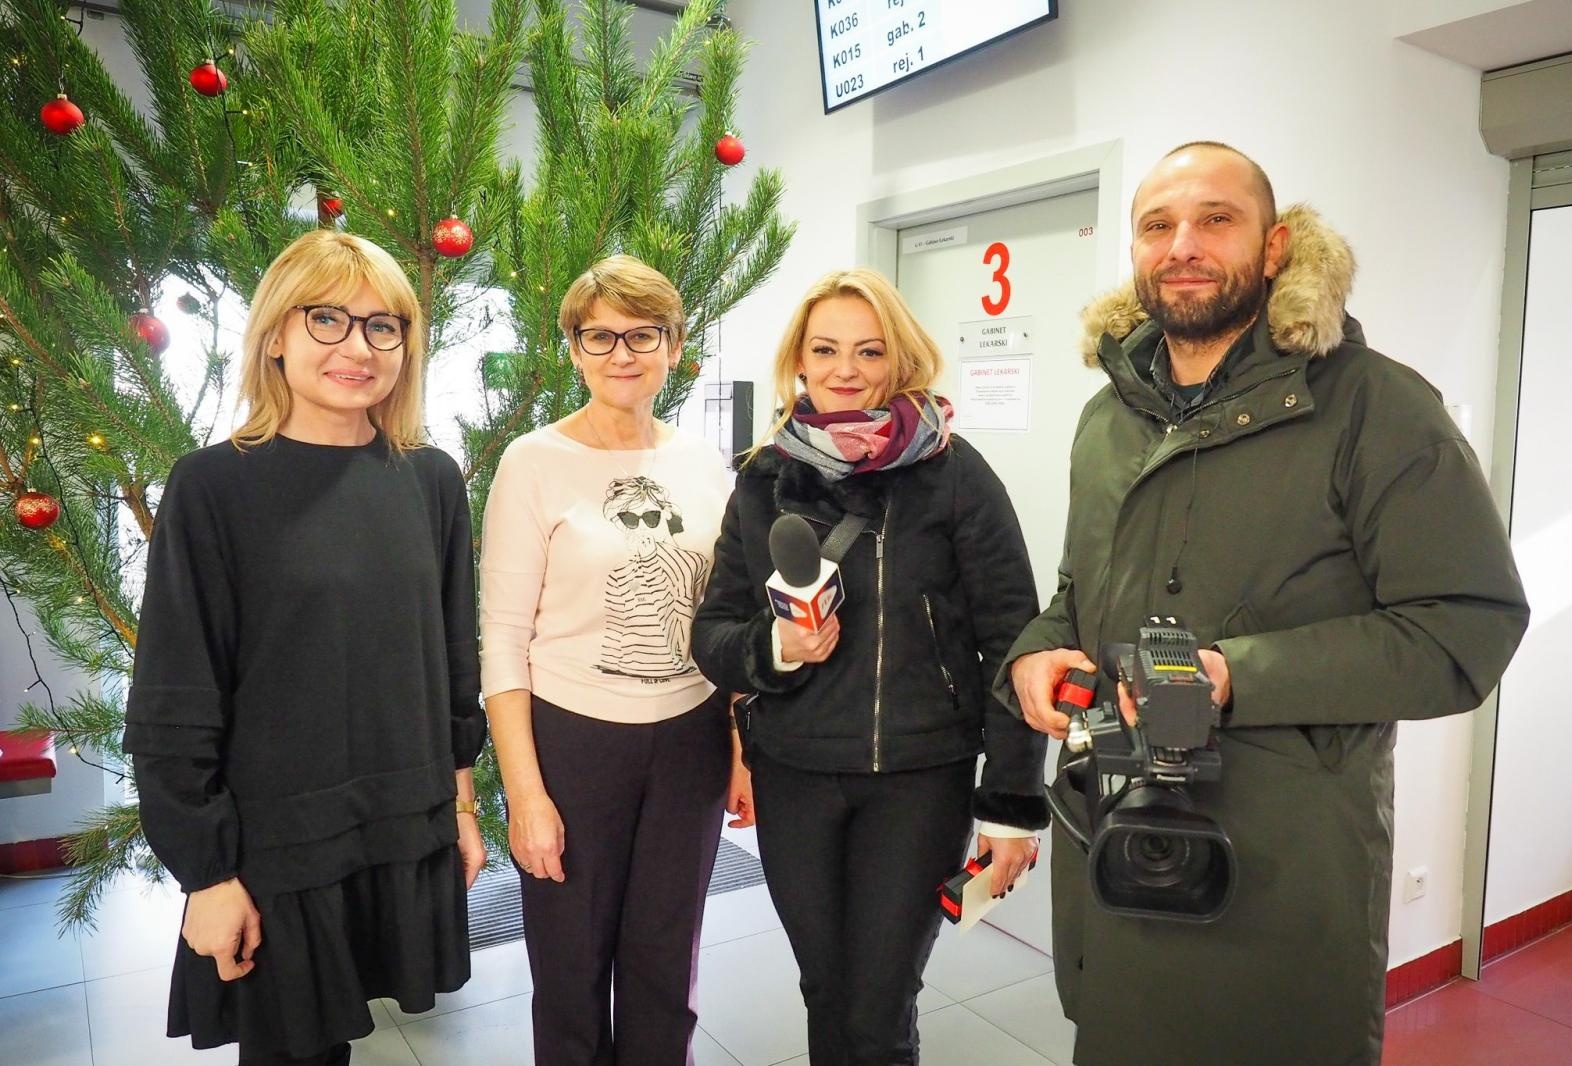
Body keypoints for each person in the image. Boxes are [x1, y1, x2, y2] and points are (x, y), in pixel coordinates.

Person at [998, 142, 1529, 1066]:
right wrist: (1038, 650)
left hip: (1284, 872)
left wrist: (1232, 678)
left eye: (1216, 219)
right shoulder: (1108, 417)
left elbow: (1467, 629)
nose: (1183, 245)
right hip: (1118, 844)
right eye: (1157, 226)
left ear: (1276, 245)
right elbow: (1080, 593)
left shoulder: (1379, 408)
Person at [125, 229, 487, 1066]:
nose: (357, 347)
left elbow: (450, 666)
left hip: (399, 823)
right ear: (276, 335)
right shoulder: (212, 486)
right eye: (327, 319)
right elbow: (175, 699)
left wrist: (462, 806)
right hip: (275, 849)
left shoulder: (430, 479)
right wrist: (206, 875)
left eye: (381, 325)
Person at [691, 268, 1048, 1065]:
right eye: (826, 349)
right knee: (827, 992)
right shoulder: (762, 476)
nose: (845, 369)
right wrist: (777, 648)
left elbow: (1015, 642)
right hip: (796, 774)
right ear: (800, 362)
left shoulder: (956, 475)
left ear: (900, 361)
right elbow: (713, 632)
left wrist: (1012, 804)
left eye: (868, 350)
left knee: (880, 1007)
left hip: (920, 779)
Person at [478, 254, 743, 1064]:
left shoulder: (703, 463)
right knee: (570, 969)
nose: (621, 354)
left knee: (667, 962)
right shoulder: (533, 461)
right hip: (573, 744)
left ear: (674, 344)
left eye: (642, 335)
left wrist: (738, 748)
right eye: (600, 337)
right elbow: (503, 641)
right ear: (573, 349)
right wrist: (526, 794)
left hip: (688, 736)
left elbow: (725, 617)